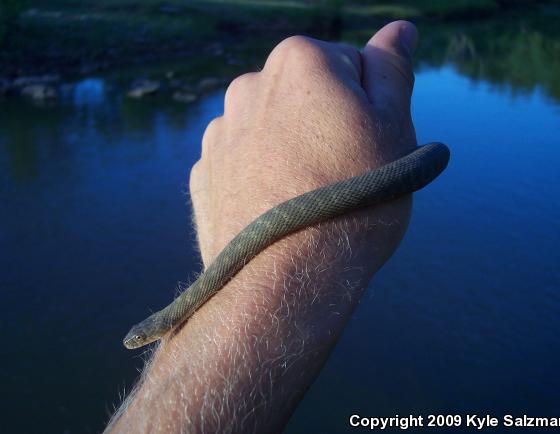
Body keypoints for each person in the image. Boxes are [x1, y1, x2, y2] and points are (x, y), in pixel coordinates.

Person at [107, 20, 419, 433]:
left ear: (159, 329)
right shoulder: (172, 318)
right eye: (139, 339)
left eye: (141, 338)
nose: (137, 343)